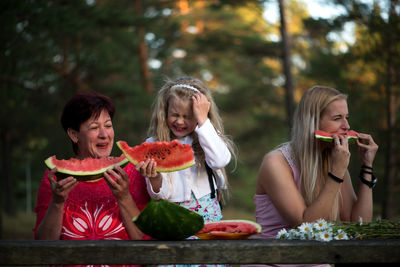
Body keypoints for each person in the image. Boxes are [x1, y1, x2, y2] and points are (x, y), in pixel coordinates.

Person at [249, 85, 378, 267]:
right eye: (337, 118)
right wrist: (337, 172)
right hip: (272, 261)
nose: (347, 126)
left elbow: (359, 225)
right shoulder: (276, 163)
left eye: (346, 118)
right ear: (313, 122)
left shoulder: (335, 162)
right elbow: (305, 226)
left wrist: (367, 166)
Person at [33, 92, 150, 266]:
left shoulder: (132, 174)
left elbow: (146, 244)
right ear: (74, 134)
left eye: (108, 125)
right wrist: (57, 202)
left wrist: (124, 197)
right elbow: (44, 246)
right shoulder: (56, 179)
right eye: (94, 127)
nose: (104, 134)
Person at [136, 76, 237, 225]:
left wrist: (203, 121)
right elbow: (160, 197)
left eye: (188, 117)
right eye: (175, 115)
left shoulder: (208, 135)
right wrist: (154, 178)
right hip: (173, 218)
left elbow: (219, 161)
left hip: (209, 217)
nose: (180, 122)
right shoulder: (153, 144)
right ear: (165, 112)